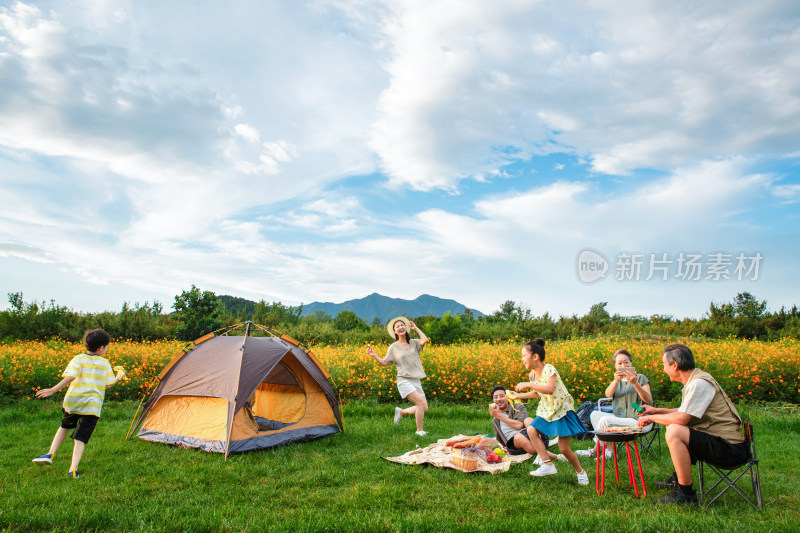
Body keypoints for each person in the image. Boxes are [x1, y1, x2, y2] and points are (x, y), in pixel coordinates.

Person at [637, 343, 749, 505]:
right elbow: (686, 411)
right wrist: (657, 411)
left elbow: (681, 419)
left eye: (664, 365)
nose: (664, 369)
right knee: (675, 426)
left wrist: (652, 419)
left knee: (675, 429)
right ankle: (678, 480)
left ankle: (685, 494)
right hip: (724, 443)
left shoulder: (699, 384)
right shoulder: (696, 380)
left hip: (731, 449)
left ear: (674, 365)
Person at [32, 329, 126, 478]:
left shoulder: (78, 359)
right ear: (101, 348)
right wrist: (118, 377)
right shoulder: (104, 363)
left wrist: (53, 389)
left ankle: (49, 454)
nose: (107, 349)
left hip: (73, 401)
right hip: (91, 405)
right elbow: (107, 384)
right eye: (107, 346)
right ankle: (73, 469)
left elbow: (71, 376)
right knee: (80, 436)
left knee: (64, 425)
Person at [513, 338, 590, 485]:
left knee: (564, 449)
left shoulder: (549, 369)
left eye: (524, 356)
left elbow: (549, 389)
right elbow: (537, 393)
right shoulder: (532, 375)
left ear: (535, 356)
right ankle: (547, 463)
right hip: (547, 411)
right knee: (531, 430)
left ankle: (580, 472)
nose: (522, 360)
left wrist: (529, 385)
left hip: (561, 410)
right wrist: (519, 396)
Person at [576, 349, 653, 457]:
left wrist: (635, 384)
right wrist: (616, 381)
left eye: (626, 362)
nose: (624, 365)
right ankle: (609, 450)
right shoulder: (616, 381)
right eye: (620, 363)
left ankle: (595, 451)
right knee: (594, 414)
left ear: (631, 363)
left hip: (640, 421)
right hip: (620, 418)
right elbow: (608, 394)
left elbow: (647, 399)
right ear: (615, 366)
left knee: (605, 420)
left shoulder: (640, 378)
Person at [366, 317, 430, 436]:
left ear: (406, 327)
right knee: (421, 403)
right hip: (404, 380)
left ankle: (401, 412)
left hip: (416, 380)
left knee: (424, 407)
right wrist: (374, 355)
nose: (400, 327)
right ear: (395, 332)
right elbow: (385, 363)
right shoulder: (393, 347)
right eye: (397, 327)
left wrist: (415, 328)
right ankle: (419, 431)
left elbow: (425, 339)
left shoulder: (414, 342)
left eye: (402, 325)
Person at [489, 385, 560, 462]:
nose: (498, 399)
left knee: (527, 420)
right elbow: (500, 440)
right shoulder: (495, 420)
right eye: (495, 397)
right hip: (515, 443)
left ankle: (540, 449)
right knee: (518, 437)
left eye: (502, 396)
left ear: (508, 398)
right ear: (493, 400)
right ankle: (555, 456)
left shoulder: (517, 407)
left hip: (531, 435)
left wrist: (500, 416)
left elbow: (519, 425)